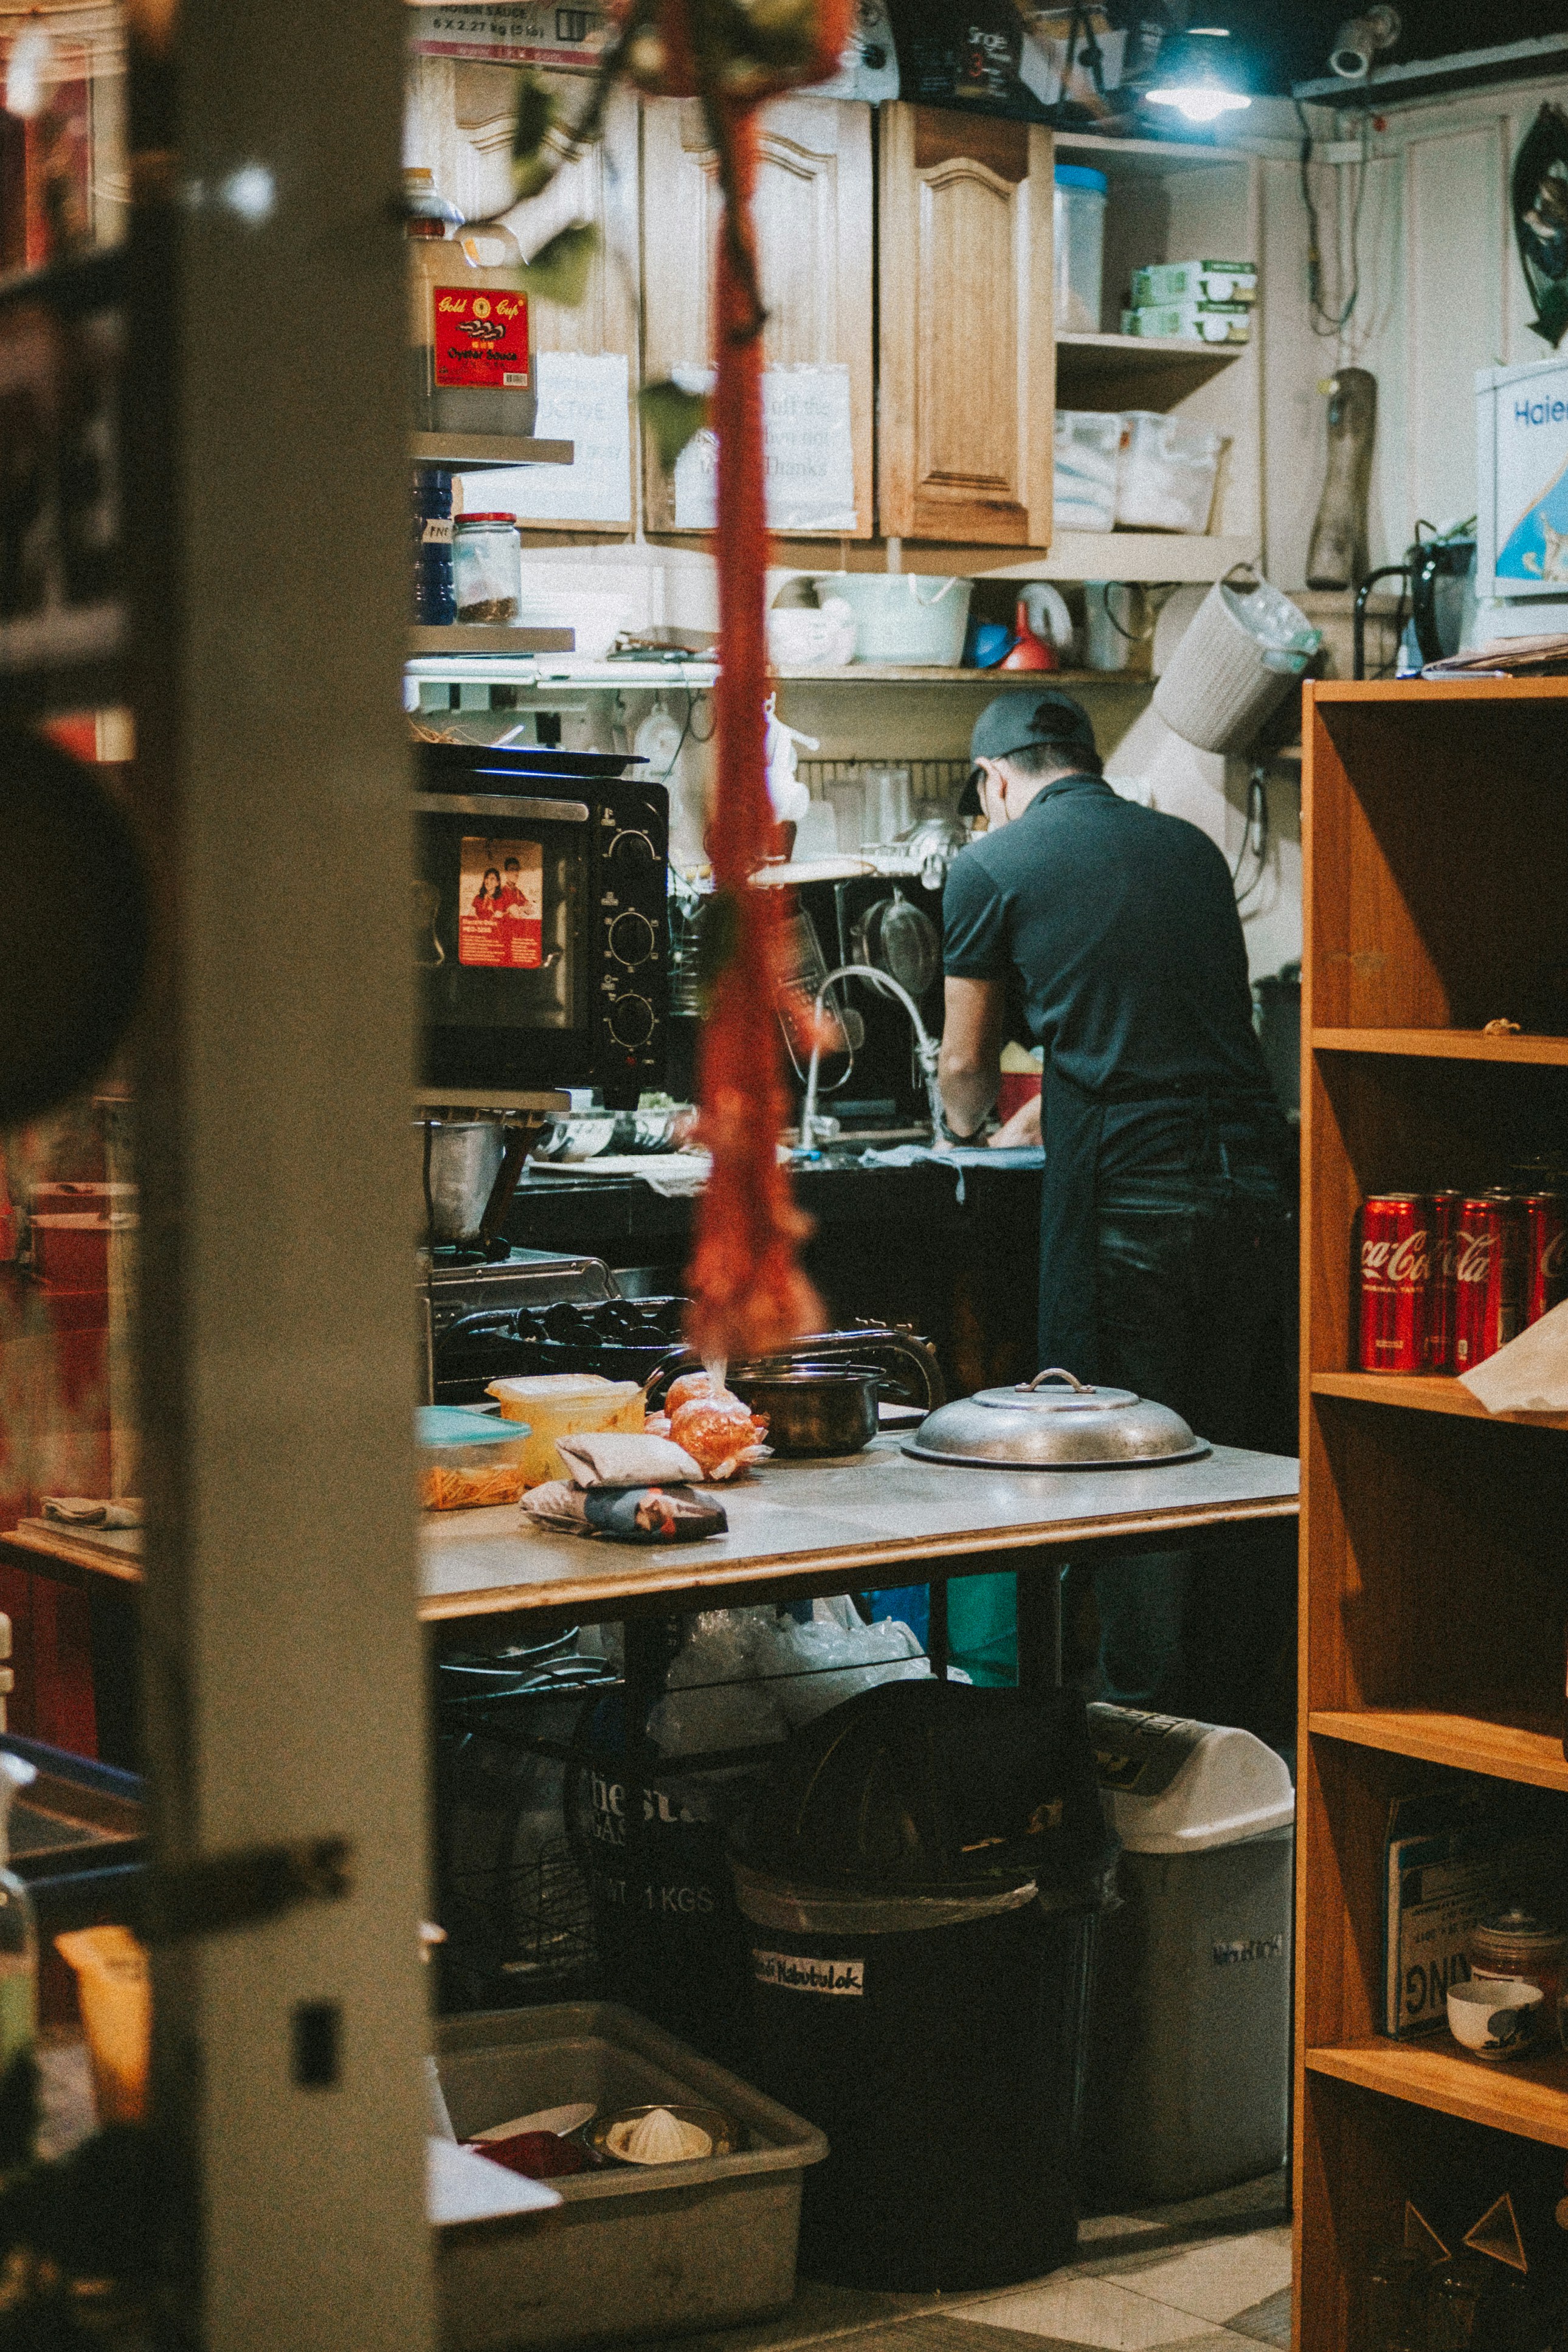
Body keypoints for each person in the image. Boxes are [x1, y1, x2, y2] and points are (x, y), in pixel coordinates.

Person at [936, 691, 1294, 1732]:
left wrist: (964, 1122)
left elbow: (965, 1067)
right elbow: (1164, 1021)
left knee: (1134, 1460)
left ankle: (1141, 1731)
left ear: (997, 780)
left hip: (1128, 1200)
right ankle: (1242, 1734)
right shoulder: (1186, 851)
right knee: (1232, 1457)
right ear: (1082, 762)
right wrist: (1065, 1089)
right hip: (1254, 1187)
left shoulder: (989, 865)